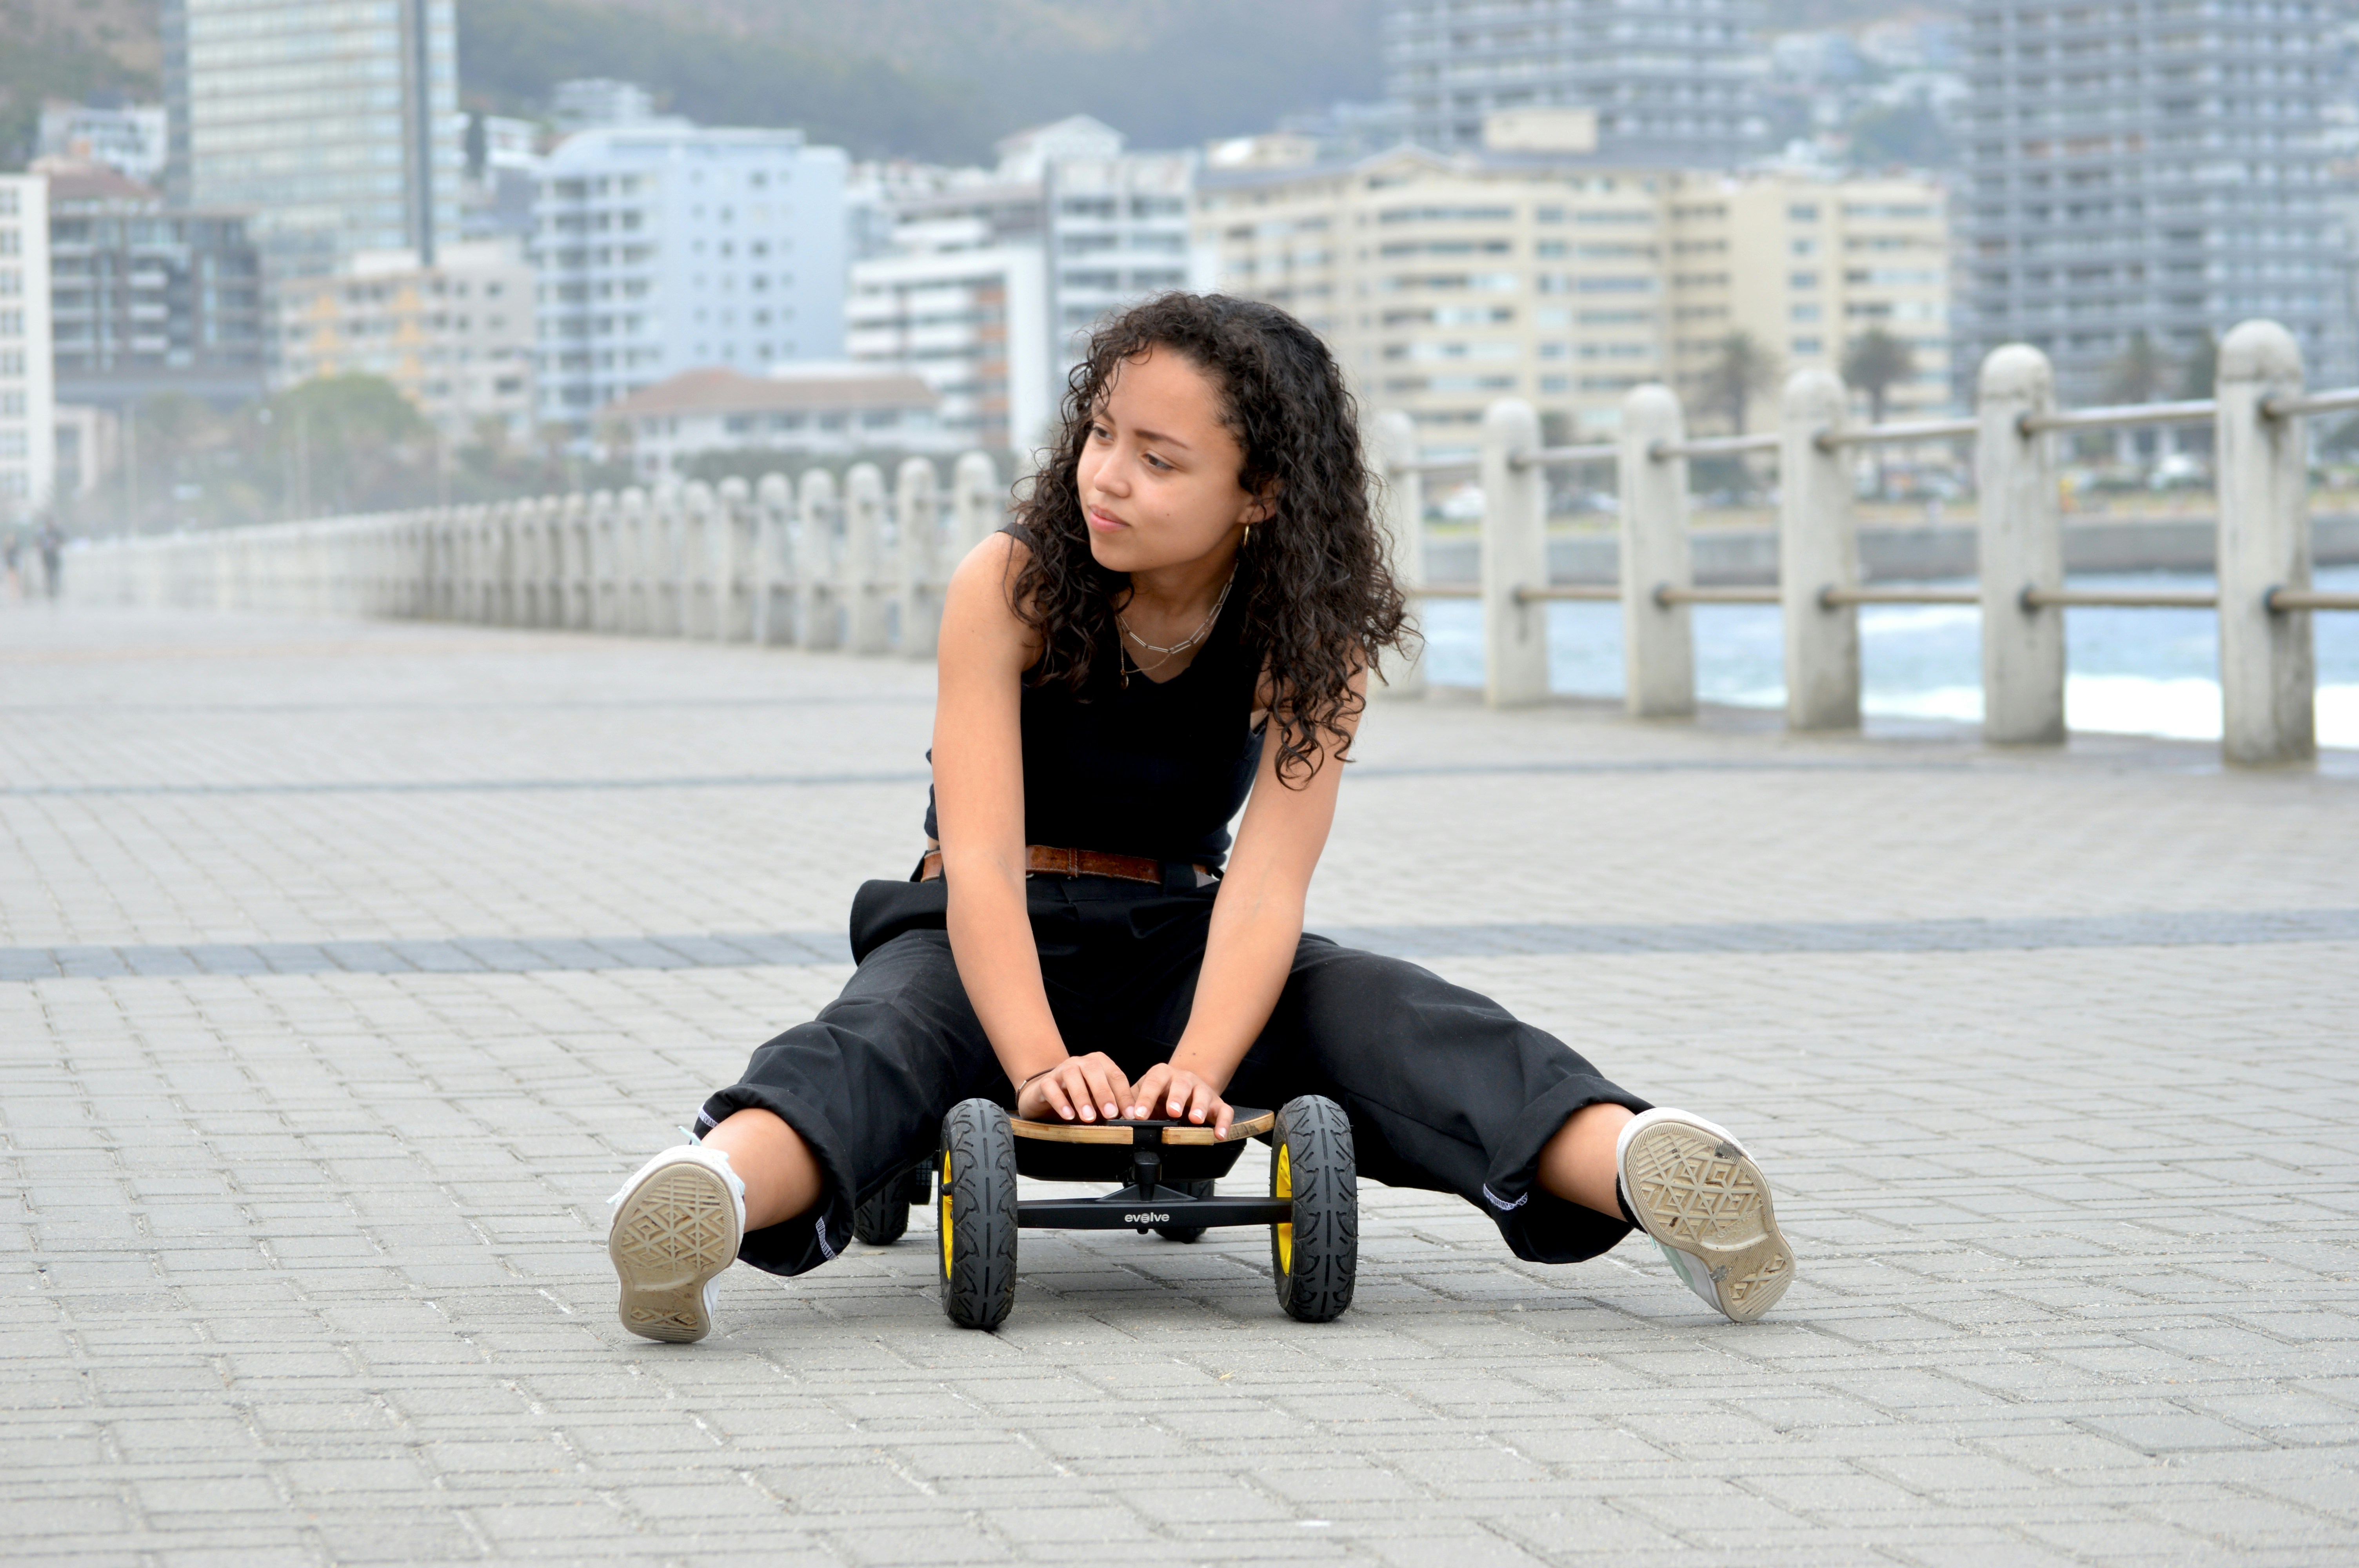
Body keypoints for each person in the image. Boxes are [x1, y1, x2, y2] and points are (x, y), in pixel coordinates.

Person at [605, 294, 1793, 1342]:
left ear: (1261, 494)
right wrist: (1033, 1062)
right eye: (1103, 436)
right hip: (982, 932)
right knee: (874, 1047)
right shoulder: (1009, 584)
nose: (1107, 476)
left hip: (1181, 936)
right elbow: (976, 860)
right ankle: (706, 1205)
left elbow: (1270, 885)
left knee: (1397, 1016)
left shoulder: (1305, 639)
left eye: (1159, 460)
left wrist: (1198, 1071)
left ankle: (1646, 1173)